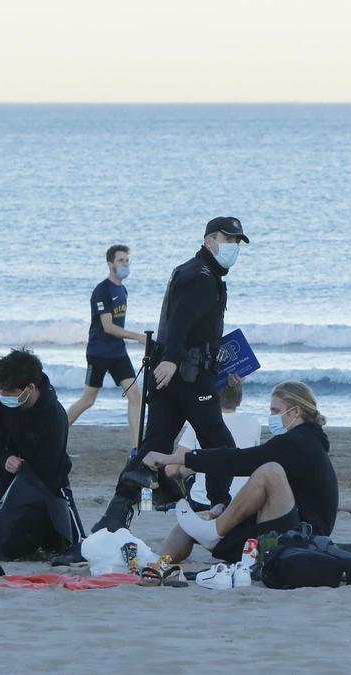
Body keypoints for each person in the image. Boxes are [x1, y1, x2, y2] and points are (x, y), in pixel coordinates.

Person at [91, 216, 250, 534]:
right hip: (186, 378)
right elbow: (180, 320)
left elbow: (196, 329)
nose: (232, 246)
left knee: (154, 445)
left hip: (178, 376)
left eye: (236, 242)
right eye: (226, 239)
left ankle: (111, 522)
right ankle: (220, 508)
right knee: (223, 447)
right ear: (209, 241)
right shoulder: (200, 276)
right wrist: (174, 360)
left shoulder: (204, 274)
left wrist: (219, 368)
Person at [144, 381, 337, 564]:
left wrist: (173, 458)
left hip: (301, 538)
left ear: (295, 412)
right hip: (282, 526)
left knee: (269, 471)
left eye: (275, 411)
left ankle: (214, 532)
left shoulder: (299, 444)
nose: (271, 416)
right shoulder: (304, 441)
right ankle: (155, 563)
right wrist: (230, 509)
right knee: (187, 527)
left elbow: (237, 460)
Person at [0, 349, 85, 542]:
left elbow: (53, 473)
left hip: (49, 473)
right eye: (3, 393)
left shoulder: (53, 416)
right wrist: (4, 457)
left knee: (67, 540)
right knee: (1, 539)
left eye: (11, 394)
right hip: (8, 470)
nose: (5, 397)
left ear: (31, 388)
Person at [66, 244, 146, 442]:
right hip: (99, 352)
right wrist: (139, 337)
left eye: (127, 260)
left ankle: (137, 447)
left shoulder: (123, 290)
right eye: (121, 260)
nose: (125, 264)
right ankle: (55, 432)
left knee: (136, 396)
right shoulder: (102, 291)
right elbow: (108, 327)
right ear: (110, 264)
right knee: (88, 400)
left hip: (118, 353)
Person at [173, 379, 262, 509]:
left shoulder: (199, 421)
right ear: (240, 398)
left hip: (204, 501)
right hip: (242, 500)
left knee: (188, 470)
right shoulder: (253, 423)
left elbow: (172, 469)